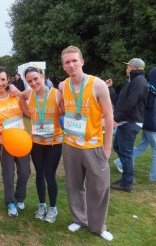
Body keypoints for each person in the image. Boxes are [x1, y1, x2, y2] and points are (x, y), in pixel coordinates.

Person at [58, 46, 114, 241]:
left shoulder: (98, 85)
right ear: (63, 66)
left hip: (94, 145)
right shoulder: (63, 86)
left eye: (74, 60)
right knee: (74, 185)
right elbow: (62, 109)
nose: (71, 65)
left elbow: (109, 116)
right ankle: (79, 219)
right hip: (71, 145)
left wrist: (107, 148)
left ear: (82, 61)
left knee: (99, 186)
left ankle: (98, 226)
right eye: (67, 62)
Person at [0, 67, 31, 217]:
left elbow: (28, 113)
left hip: (22, 140)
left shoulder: (15, 95)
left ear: (7, 80)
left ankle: (20, 197)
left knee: (25, 172)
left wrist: (19, 92)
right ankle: (10, 202)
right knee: (8, 174)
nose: (0, 83)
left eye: (3, 79)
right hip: (4, 143)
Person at [21, 66, 63, 223]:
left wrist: (57, 115)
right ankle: (42, 205)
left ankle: (53, 208)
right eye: (29, 81)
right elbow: (20, 98)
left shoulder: (56, 93)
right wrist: (28, 113)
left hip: (54, 142)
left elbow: (64, 111)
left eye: (35, 79)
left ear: (42, 76)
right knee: (39, 174)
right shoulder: (28, 94)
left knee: (50, 175)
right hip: (36, 141)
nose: (33, 83)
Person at [113, 66, 156, 182]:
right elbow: (143, 108)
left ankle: (120, 162)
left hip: (153, 123)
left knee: (142, 147)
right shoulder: (150, 89)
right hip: (150, 124)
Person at [111, 58, 148, 192]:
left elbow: (131, 103)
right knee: (117, 147)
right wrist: (110, 88)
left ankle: (127, 183)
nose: (126, 69)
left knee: (126, 153)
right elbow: (121, 101)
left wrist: (116, 118)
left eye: (127, 67)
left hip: (130, 122)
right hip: (126, 121)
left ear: (132, 68)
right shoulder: (133, 81)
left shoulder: (139, 81)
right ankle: (127, 177)